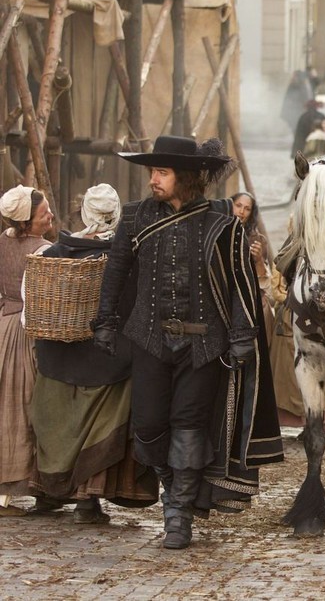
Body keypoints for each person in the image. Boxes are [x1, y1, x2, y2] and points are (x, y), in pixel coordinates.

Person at [92, 135, 284, 549]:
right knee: (148, 426)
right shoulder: (135, 217)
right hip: (148, 339)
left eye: (161, 172)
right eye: (152, 172)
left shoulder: (223, 224)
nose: (153, 180)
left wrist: (241, 336)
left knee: (189, 427)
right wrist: (105, 321)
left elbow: (239, 285)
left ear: (186, 177)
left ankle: (177, 512)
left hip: (203, 347)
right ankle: (173, 487)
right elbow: (116, 271)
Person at [30, 184, 158, 524]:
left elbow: (33, 307)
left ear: (84, 212)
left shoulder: (54, 254)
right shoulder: (127, 258)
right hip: (109, 359)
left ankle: (49, 494)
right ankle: (88, 501)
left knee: (60, 425)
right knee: (101, 426)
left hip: (59, 357)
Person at [0, 185, 53, 516]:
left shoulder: (2, 241)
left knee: (6, 406)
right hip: (27, 331)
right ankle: (20, 488)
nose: (50, 216)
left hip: (3, 325)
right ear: (26, 221)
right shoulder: (44, 250)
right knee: (26, 408)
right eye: (44, 213)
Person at [231, 193, 275, 342]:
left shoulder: (257, 240)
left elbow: (265, 284)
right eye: (238, 206)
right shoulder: (216, 233)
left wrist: (259, 260)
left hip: (251, 301)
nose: (241, 212)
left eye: (247, 209)